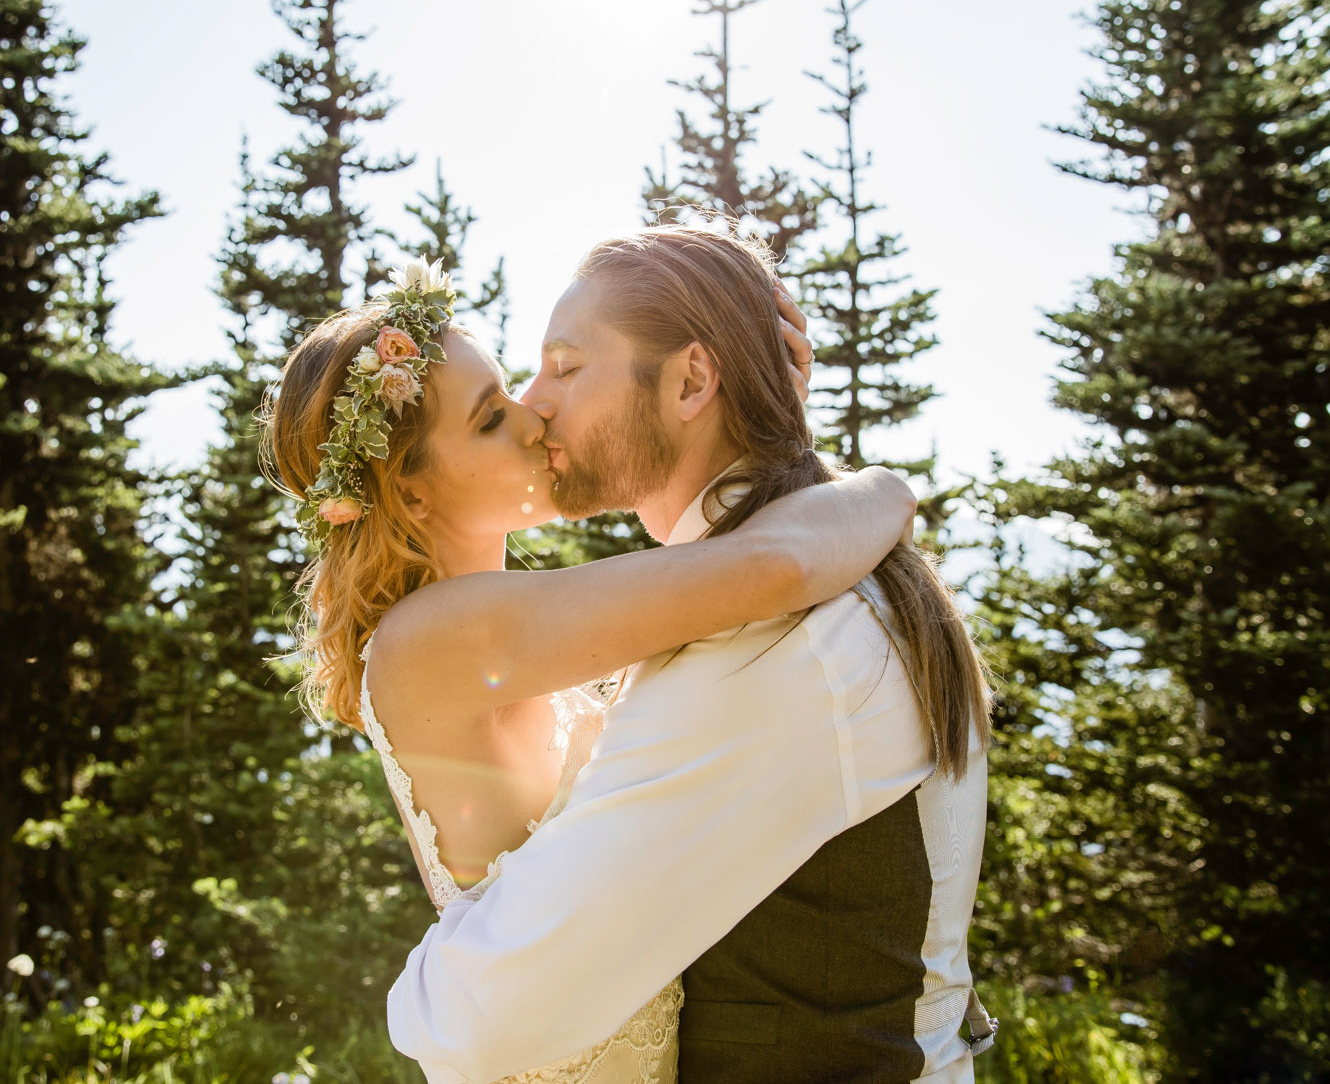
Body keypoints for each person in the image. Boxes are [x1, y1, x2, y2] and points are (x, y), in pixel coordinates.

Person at [263, 255, 920, 1082]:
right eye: (490, 418)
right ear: (415, 493)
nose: (535, 416)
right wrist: (887, 487)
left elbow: (707, 557)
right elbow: (773, 568)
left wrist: (758, 418)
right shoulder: (435, 635)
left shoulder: (512, 625)